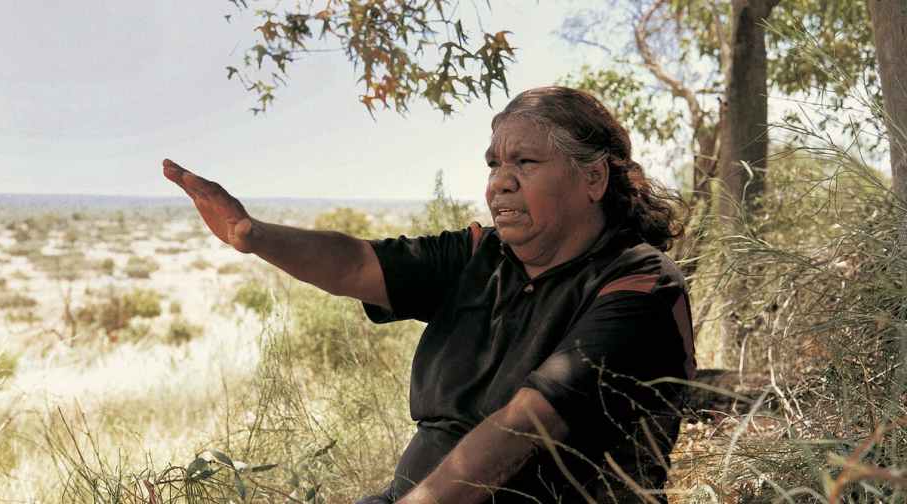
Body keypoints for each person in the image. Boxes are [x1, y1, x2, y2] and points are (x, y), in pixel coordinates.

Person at [163, 86, 695, 503]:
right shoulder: (480, 256)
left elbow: (524, 426)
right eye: (494, 165)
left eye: (525, 164)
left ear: (594, 178)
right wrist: (254, 236)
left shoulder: (639, 282)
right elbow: (355, 263)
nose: (500, 183)